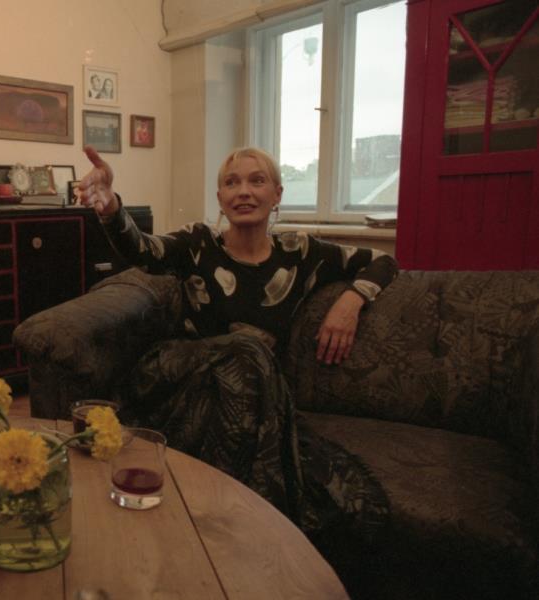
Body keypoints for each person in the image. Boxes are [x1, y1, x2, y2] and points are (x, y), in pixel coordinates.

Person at [76, 145, 398, 541]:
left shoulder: (300, 253)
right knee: (248, 346)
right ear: (220, 199)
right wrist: (110, 206)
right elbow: (142, 250)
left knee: (351, 498)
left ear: (277, 194)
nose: (243, 191)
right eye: (232, 183)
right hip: (180, 378)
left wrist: (351, 300)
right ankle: (261, 521)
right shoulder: (198, 242)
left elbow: (383, 260)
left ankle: (232, 523)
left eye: (256, 181)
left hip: (241, 396)